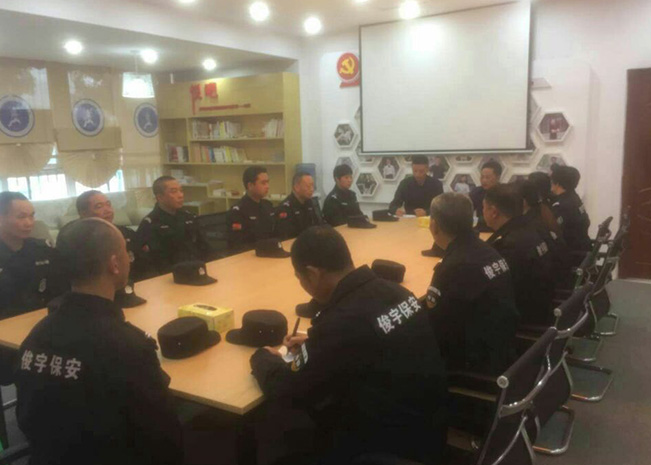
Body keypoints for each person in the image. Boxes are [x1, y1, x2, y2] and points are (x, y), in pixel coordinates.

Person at [250, 226, 447, 465]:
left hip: (387, 446)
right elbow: (363, 344)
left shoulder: (340, 323)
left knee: (281, 426)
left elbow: (285, 389)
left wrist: (263, 358)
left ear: (312, 274)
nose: (302, 283)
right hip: (429, 430)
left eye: (300, 277)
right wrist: (316, 346)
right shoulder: (397, 292)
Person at [15, 218, 182, 465]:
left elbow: (26, 419)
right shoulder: (128, 345)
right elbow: (164, 440)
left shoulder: (37, 334)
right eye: (125, 251)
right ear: (115, 264)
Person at [426, 193, 518, 375]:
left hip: (474, 364)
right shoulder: (488, 250)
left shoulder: (452, 268)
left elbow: (435, 329)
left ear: (434, 225)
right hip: (503, 348)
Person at [484, 184, 556, 326]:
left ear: (493, 212)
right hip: (543, 306)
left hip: (523, 318)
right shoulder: (532, 227)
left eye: (483, 208)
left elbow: (495, 292)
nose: (482, 212)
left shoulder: (509, 245)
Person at [0, 192, 68, 320]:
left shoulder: (43, 250)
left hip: (42, 320)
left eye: (31, 216)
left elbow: (61, 291)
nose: (29, 223)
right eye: (21, 217)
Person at [61, 190, 152, 281]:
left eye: (108, 204)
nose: (108, 210)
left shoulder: (124, 232)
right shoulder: (72, 238)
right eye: (99, 206)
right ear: (83, 214)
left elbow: (145, 265)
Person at [137, 176, 211, 275]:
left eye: (181, 191)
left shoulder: (188, 217)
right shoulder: (150, 224)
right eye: (174, 191)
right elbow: (152, 263)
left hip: (198, 270)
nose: (180, 195)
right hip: (171, 275)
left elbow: (205, 247)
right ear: (160, 197)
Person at [518, 180, 573, 287]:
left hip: (551, 282)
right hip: (557, 275)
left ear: (523, 201)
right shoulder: (542, 211)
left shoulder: (530, 224)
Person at [228, 165, 277, 253]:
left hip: (268, 251)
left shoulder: (268, 205)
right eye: (263, 183)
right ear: (250, 185)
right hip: (249, 255)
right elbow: (238, 245)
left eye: (268, 182)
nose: (267, 186)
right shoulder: (238, 211)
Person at [550, 165, 592, 254]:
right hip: (584, 249)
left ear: (557, 183)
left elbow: (554, 232)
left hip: (572, 254)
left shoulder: (561, 205)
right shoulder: (575, 198)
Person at [276, 172, 322, 240]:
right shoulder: (285, 208)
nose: (312, 189)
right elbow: (287, 236)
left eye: (313, 186)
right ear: (297, 187)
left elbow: (319, 224)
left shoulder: (309, 202)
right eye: (308, 186)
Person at [470, 160, 502, 230]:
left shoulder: (505, 193)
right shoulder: (476, 192)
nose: (484, 180)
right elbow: (467, 211)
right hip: (480, 229)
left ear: (498, 177)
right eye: (482, 177)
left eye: (487, 177)